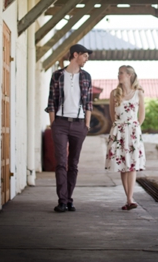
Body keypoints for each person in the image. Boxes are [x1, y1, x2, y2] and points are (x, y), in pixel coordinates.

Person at [45, 44, 93, 213]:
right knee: (61, 163)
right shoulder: (57, 75)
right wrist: (53, 123)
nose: (86, 59)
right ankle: (62, 200)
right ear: (75, 55)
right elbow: (51, 101)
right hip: (60, 123)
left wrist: (87, 124)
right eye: (85, 55)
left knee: (73, 164)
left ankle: (69, 198)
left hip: (79, 124)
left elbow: (89, 103)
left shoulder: (86, 76)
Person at [105, 65, 146, 210]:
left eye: (121, 73)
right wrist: (121, 128)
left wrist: (133, 129)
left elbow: (141, 116)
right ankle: (128, 198)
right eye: (118, 73)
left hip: (133, 132)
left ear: (129, 75)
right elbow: (112, 115)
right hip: (118, 132)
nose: (118, 75)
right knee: (123, 166)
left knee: (132, 166)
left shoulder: (138, 93)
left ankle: (130, 199)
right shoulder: (114, 93)